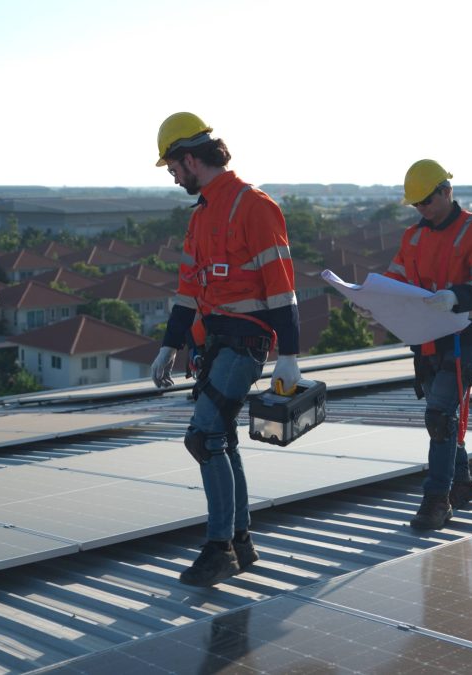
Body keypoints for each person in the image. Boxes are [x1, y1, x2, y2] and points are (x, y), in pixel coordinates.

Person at [149, 112, 301, 586]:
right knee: (222, 439)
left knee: (204, 436)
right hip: (214, 344)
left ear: (191, 158)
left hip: (246, 342)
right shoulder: (202, 216)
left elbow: (281, 289)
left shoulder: (254, 207)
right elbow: (188, 292)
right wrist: (168, 346)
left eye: (173, 166)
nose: (173, 176)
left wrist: (290, 355)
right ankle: (240, 543)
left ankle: (219, 550)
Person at [383, 159, 472, 530]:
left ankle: (436, 501)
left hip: (465, 336)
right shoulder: (413, 237)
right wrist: (375, 298)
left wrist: (454, 296)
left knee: (438, 415)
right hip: (429, 338)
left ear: (446, 192)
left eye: (426, 201)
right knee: (444, 418)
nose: (421, 209)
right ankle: (462, 483)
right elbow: (397, 276)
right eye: (416, 204)